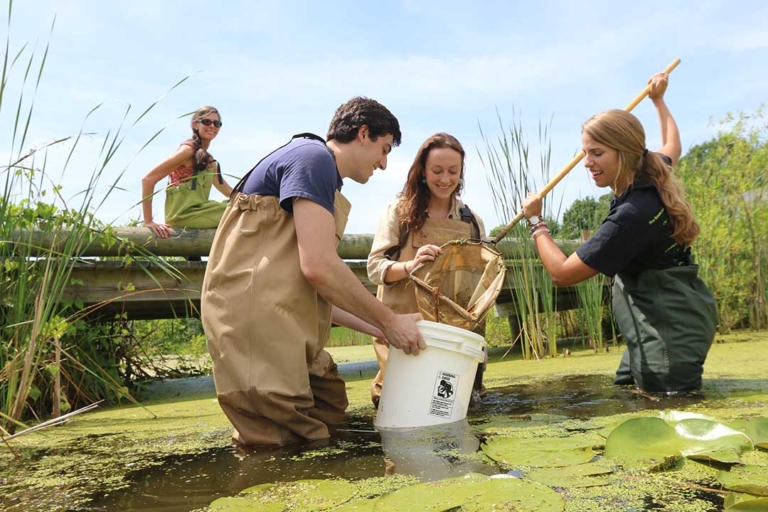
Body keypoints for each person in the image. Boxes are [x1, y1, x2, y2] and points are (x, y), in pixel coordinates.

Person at [201, 97, 425, 447]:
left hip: (286, 321)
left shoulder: (323, 175)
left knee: (329, 406)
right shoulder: (314, 158)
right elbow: (319, 266)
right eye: (383, 150)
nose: (383, 164)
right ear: (362, 133)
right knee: (283, 439)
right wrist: (389, 321)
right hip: (256, 326)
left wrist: (378, 328)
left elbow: (314, 286)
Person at [521, 72, 717, 393]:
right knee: (625, 391)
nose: (587, 162)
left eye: (597, 153)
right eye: (585, 152)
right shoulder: (651, 166)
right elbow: (673, 145)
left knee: (669, 418)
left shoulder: (631, 216)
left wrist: (536, 223)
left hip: (671, 336)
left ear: (624, 153)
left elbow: (561, 273)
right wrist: (659, 100)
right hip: (667, 322)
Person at [367, 133, 487, 407]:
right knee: (401, 409)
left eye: (453, 171)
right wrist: (410, 266)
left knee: (454, 413)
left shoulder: (472, 222)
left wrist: (479, 343)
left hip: (452, 343)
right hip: (404, 336)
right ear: (422, 170)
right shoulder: (398, 213)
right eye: (437, 171)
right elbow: (375, 269)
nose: (445, 179)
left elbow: (480, 291)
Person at [141, 105, 234, 239]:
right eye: (207, 122)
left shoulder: (209, 160)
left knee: (239, 207)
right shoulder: (187, 151)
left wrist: (254, 199)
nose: (212, 126)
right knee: (239, 212)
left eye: (217, 123)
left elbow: (227, 191)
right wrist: (149, 221)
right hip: (183, 215)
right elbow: (148, 179)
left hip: (201, 212)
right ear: (195, 125)